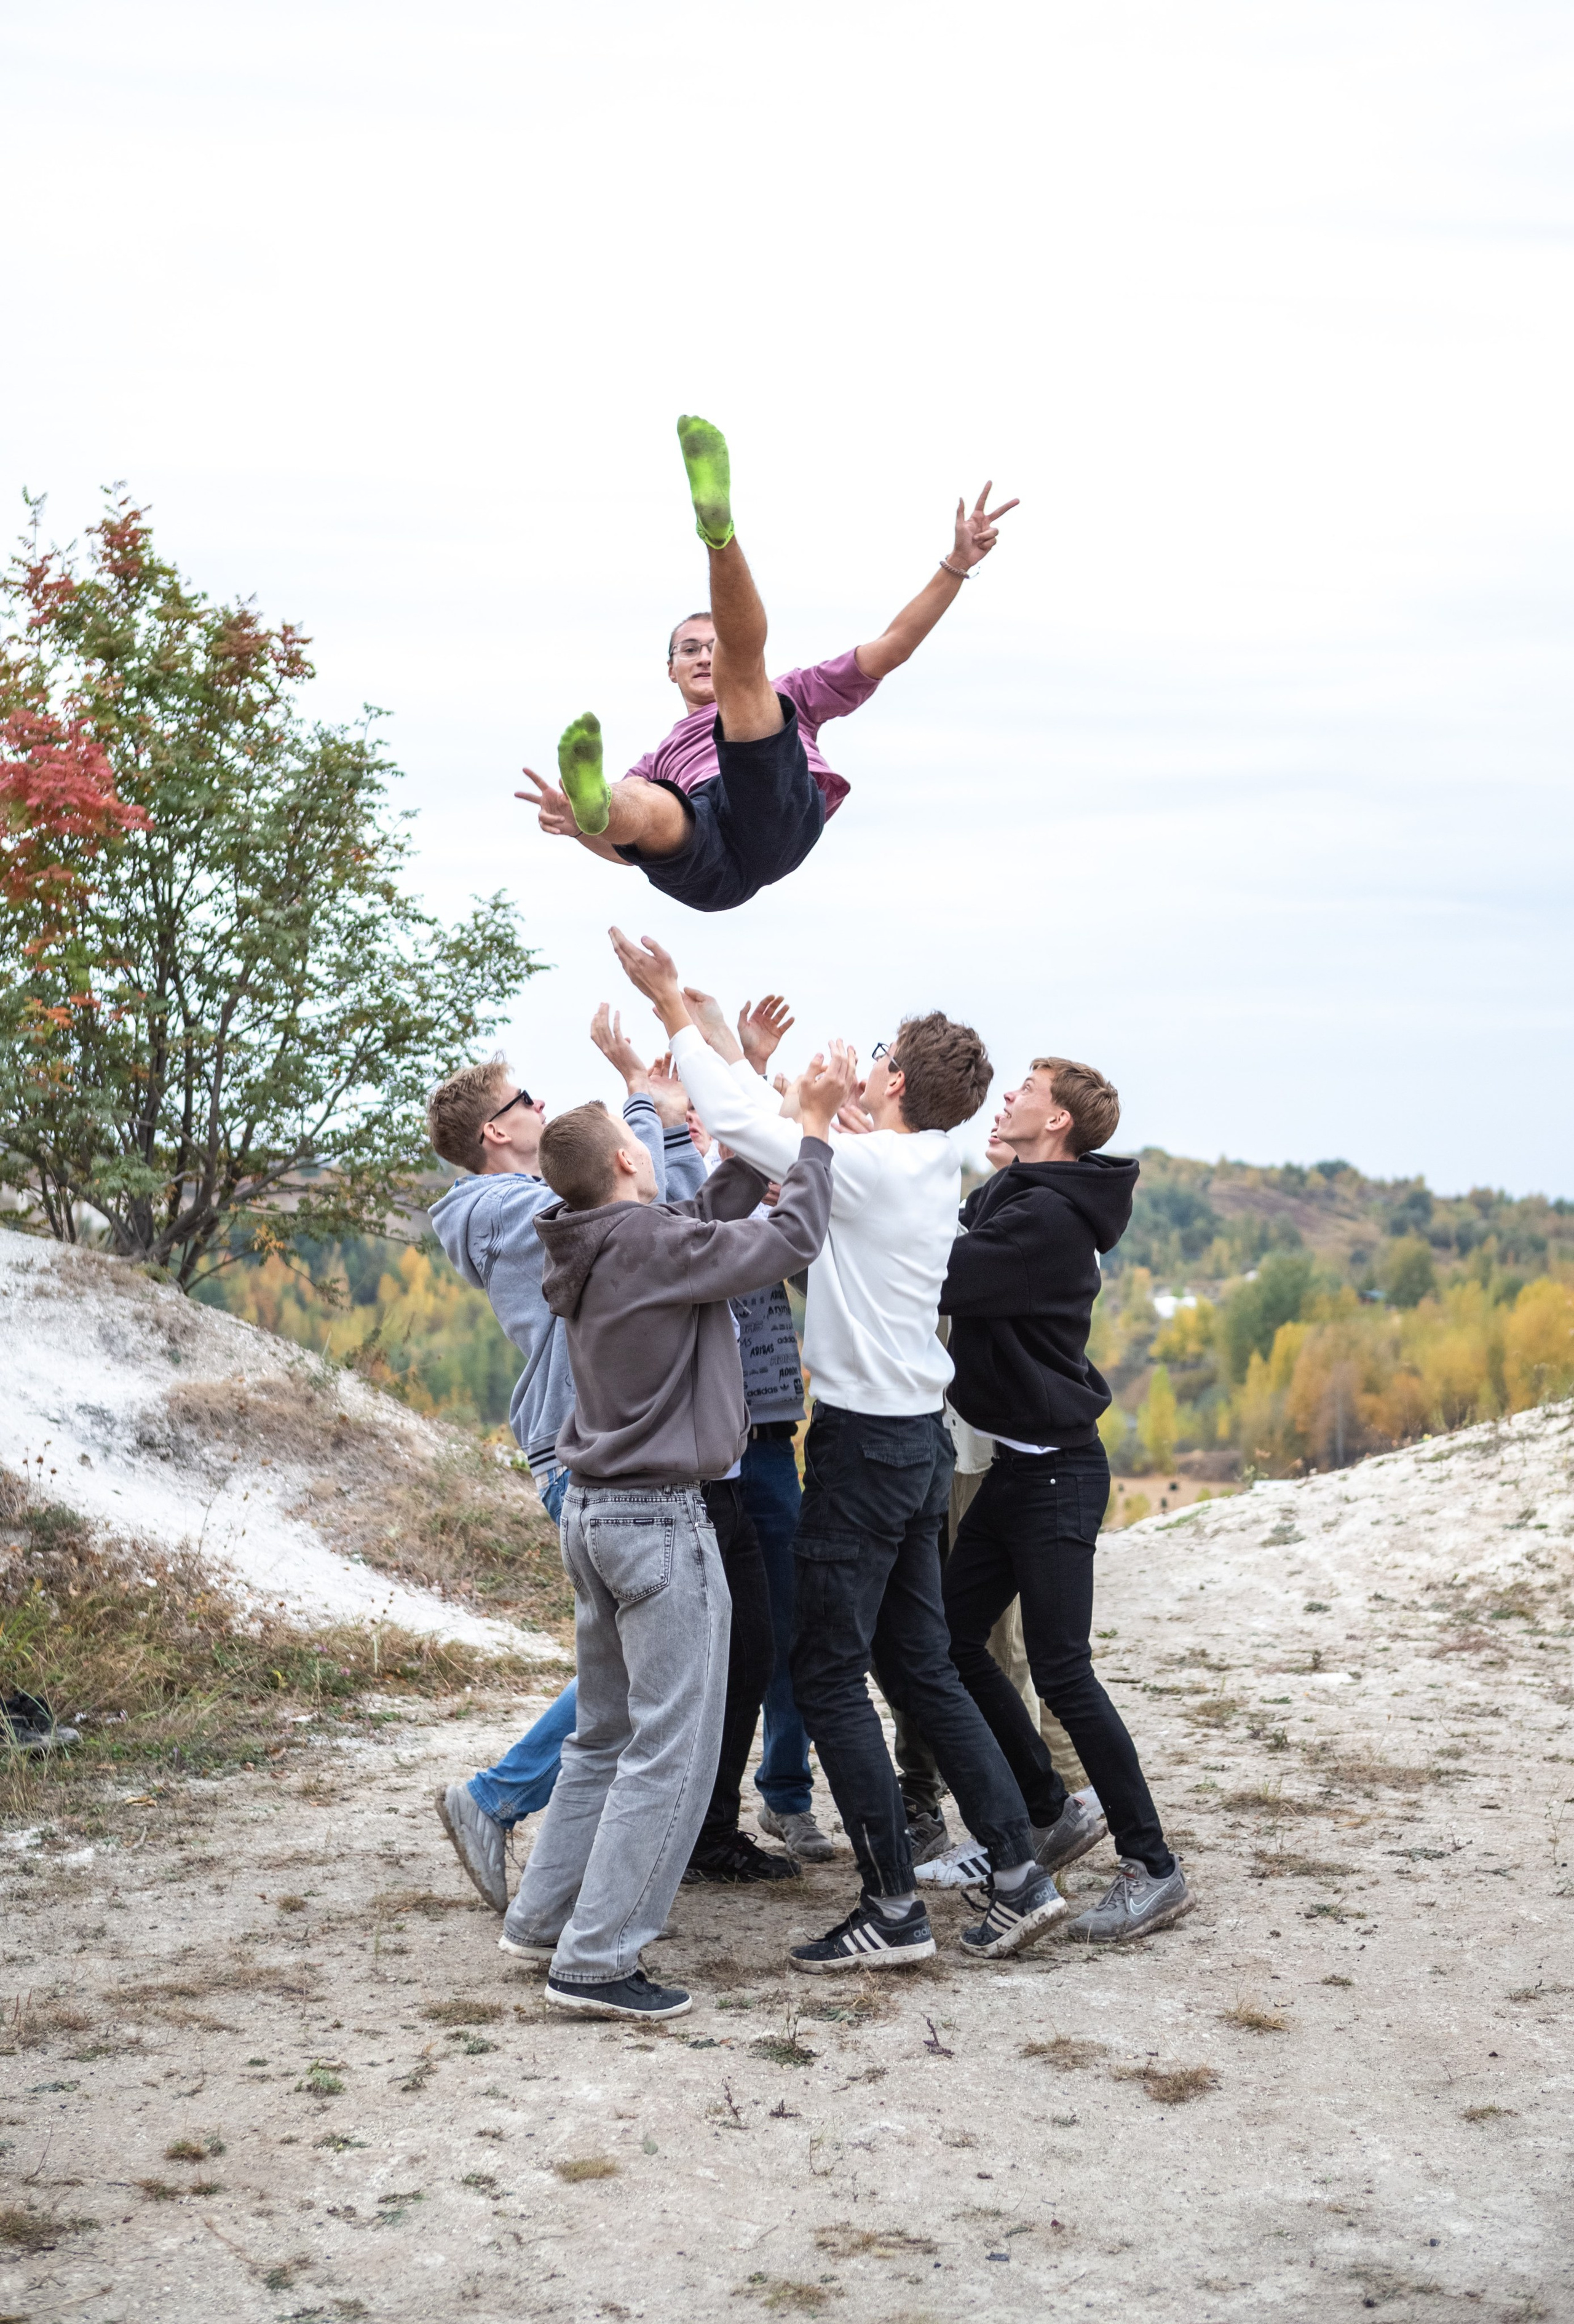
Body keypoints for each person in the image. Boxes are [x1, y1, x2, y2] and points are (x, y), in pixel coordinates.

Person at [612, 928, 1068, 1972]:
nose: (860, 1063)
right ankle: (1018, 1870)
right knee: (918, 1664)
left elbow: (738, 1125)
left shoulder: (868, 1169)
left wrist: (671, 1005)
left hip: (865, 1452)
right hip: (909, 1445)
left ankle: (892, 1909)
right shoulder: (918, 1161)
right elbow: (779, 1125)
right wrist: (746, 1058)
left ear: (895, 1078)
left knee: (825, 1671)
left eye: (874, 1056)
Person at [496, 1053, 849, 2022]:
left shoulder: (589, 1236)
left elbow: (696, 1228)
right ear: (623, 1162)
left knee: (605, 1737)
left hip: (595, 1515)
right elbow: (785, 1242)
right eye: (642, 1144)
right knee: (673, 1752)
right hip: (660, 1522)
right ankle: (598, 1960)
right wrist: (813, 1134)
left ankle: (540, 1922)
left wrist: (737, 1158)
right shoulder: (645, 1240)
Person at [516, 416, 1016, 914]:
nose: (703, 656)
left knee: (745, 682)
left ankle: (718, 533)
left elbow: (893, 646)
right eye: (689, 649)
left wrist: (957, 565)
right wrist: (580, 827)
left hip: (775, 810)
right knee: (645, 804)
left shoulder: (797, 690)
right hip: (709, 868)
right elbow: (627, 854)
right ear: (669, 669)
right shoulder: (660, 757)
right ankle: (597, 802)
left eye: (711, 645)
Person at [424, 1026, 702, 1911]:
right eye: (527, 1103)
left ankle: (510, 1805)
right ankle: (496, 1795)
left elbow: (664, 1213)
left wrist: (673, 1133)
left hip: (594, 1441)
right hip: (581, 1449)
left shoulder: (523, 1201)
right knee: (644, 1661)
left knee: (633, 1660)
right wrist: (637, 1106)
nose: (542, 1109)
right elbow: (623, 1204)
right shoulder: (503, 1210)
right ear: (495, 1136)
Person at [938, 1057, 1194, 1943]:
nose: (1007, 1097)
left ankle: (1153, 1865)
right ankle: (1050, 1811)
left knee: (1063, 1670)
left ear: (1057, 1126)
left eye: (1024, 1092)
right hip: (1019, 1468)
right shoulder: (1023, 1195)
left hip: (1055, 1474)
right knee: (947, 1640)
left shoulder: (1046, 1217)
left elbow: (942, 1274)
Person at [671, 985, 837, 1864]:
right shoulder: (690, 1204)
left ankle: (785, 1795)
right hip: (715, 1448)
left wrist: (757, 1070)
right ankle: (712, 1815)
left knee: (786, 1624)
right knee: (726, 1637)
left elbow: (812, 1268)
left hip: (773, 1434)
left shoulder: (755, 1191)